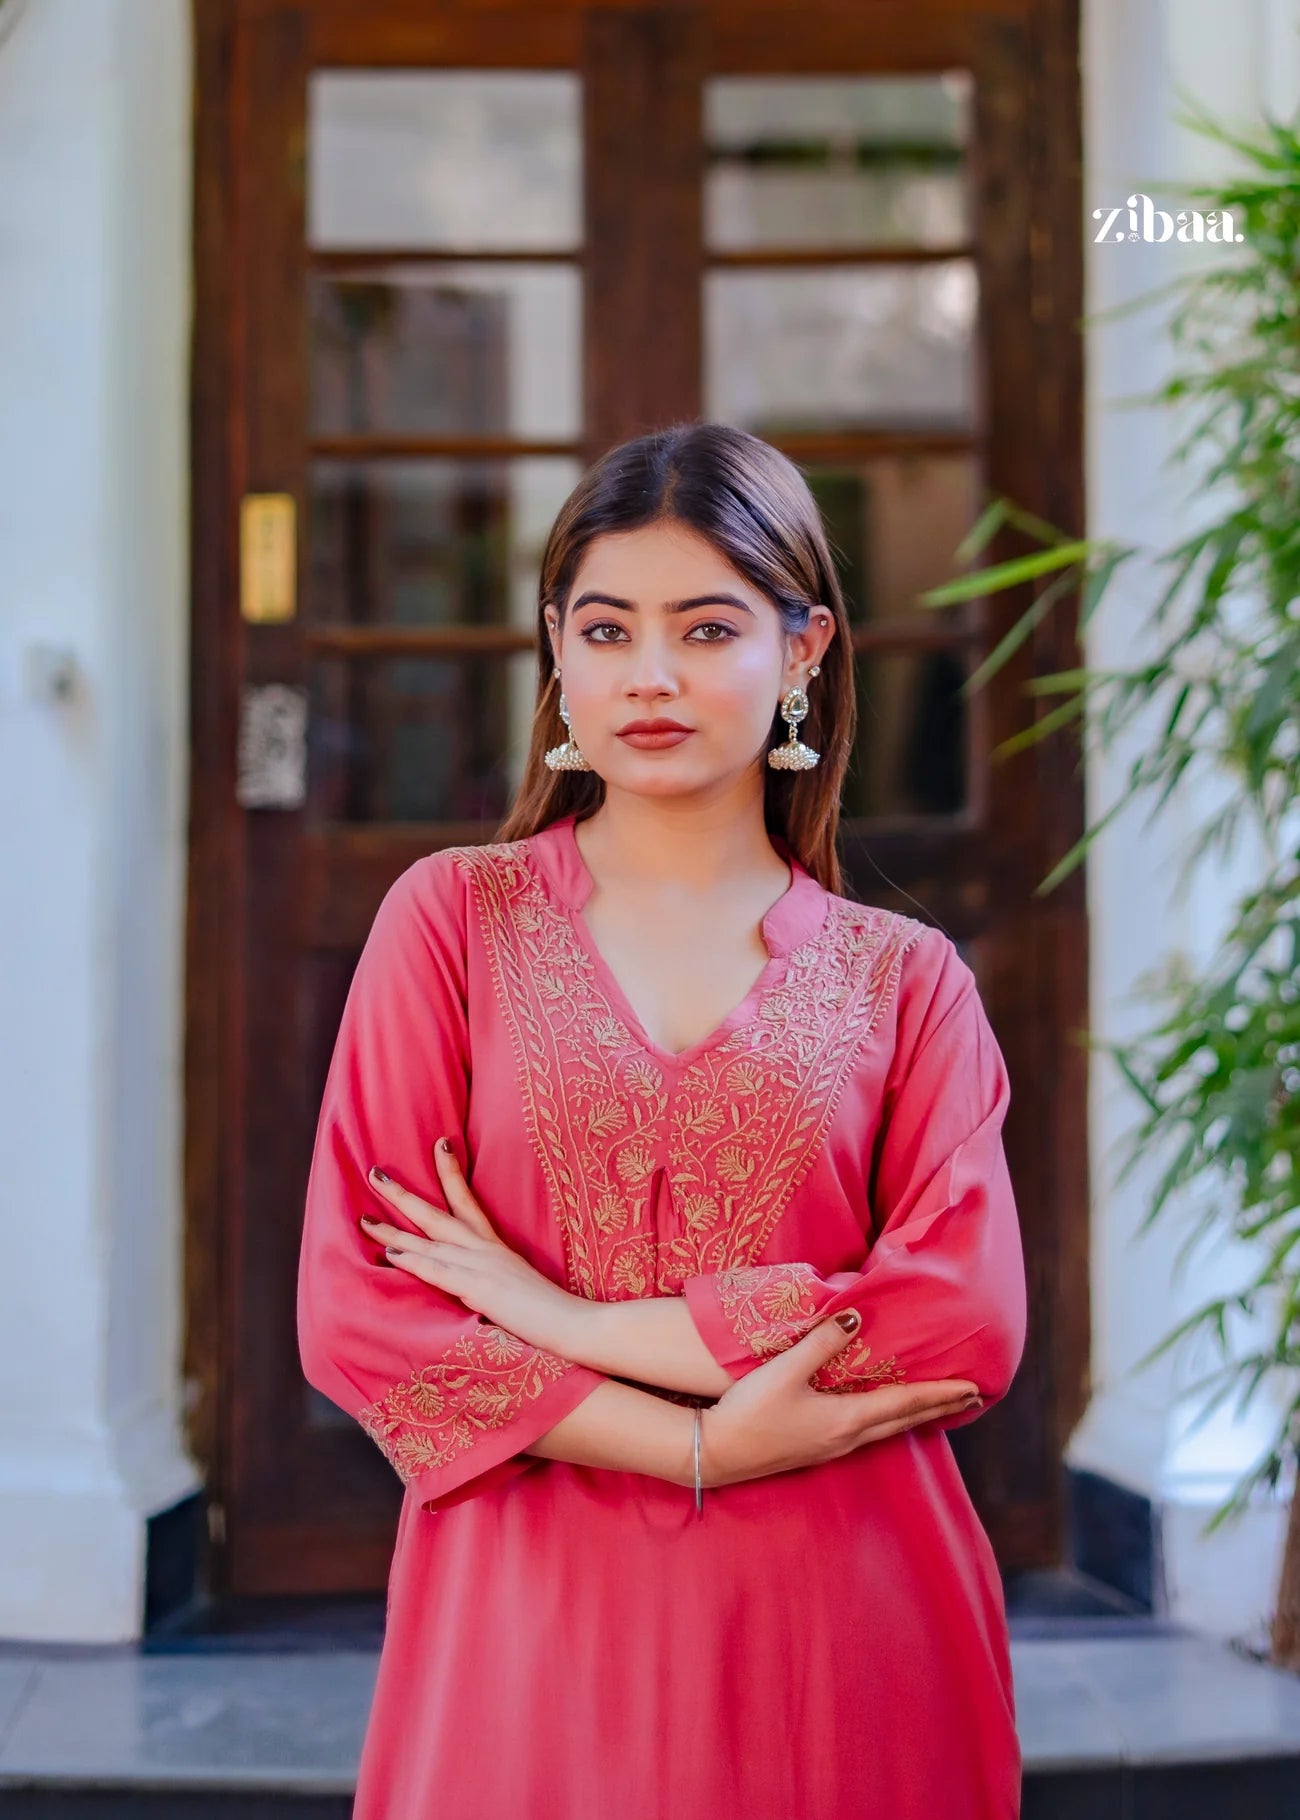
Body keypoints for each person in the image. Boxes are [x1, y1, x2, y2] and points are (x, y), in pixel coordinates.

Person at [296, 421, 1028, 1818]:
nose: (650, 676)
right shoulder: (452, 923)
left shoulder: (905, 978)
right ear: (555, 649)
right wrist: (706, 1446)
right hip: (528, 1627)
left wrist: (565, 1321)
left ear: (803, 649)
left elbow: (961, 1321)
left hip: (849, 1629)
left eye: (706, 628)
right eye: (607, 627)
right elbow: (362, 1310)